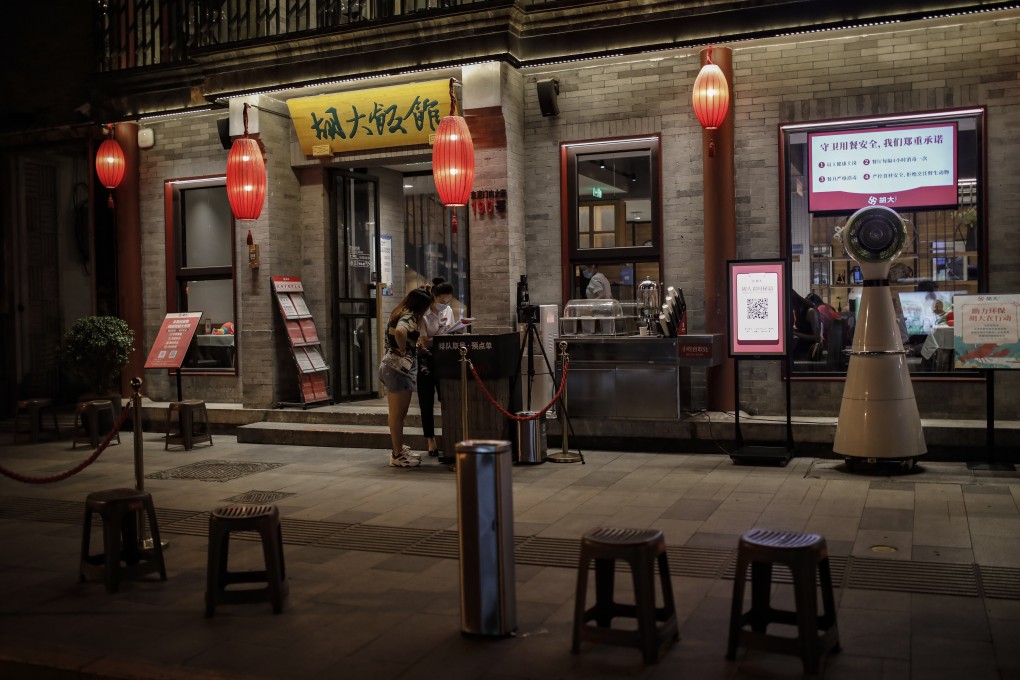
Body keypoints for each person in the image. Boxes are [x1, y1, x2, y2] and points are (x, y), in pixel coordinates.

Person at [379, 288, 434, 468]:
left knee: (398, 414)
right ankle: (397, 455)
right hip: (397, 370)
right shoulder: (409, 317)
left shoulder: (400, 311)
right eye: (427, 306)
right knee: (397, 415)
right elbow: (401, 332)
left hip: (393, 368)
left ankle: (399, 449)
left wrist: (411, 346)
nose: (429, 310)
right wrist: (403, 350)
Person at [416, 278, 456, 458]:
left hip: (445, 358)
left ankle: (451, 436)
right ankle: (430, 439)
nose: (445, 305)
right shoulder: (422, 314)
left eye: (448, 302)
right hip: (426, 360)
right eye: (441, 302)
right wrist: (440, 338)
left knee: (447, 399)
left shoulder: (448, 310)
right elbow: (424, 341)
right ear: (433, 297)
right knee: (426, 402)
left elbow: (452, 330)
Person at [791, 291, 822, 360]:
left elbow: (817, 338)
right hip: (801, 348)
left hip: (808, 350)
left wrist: (795, 333)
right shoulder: (798, 311)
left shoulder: (810, 311)